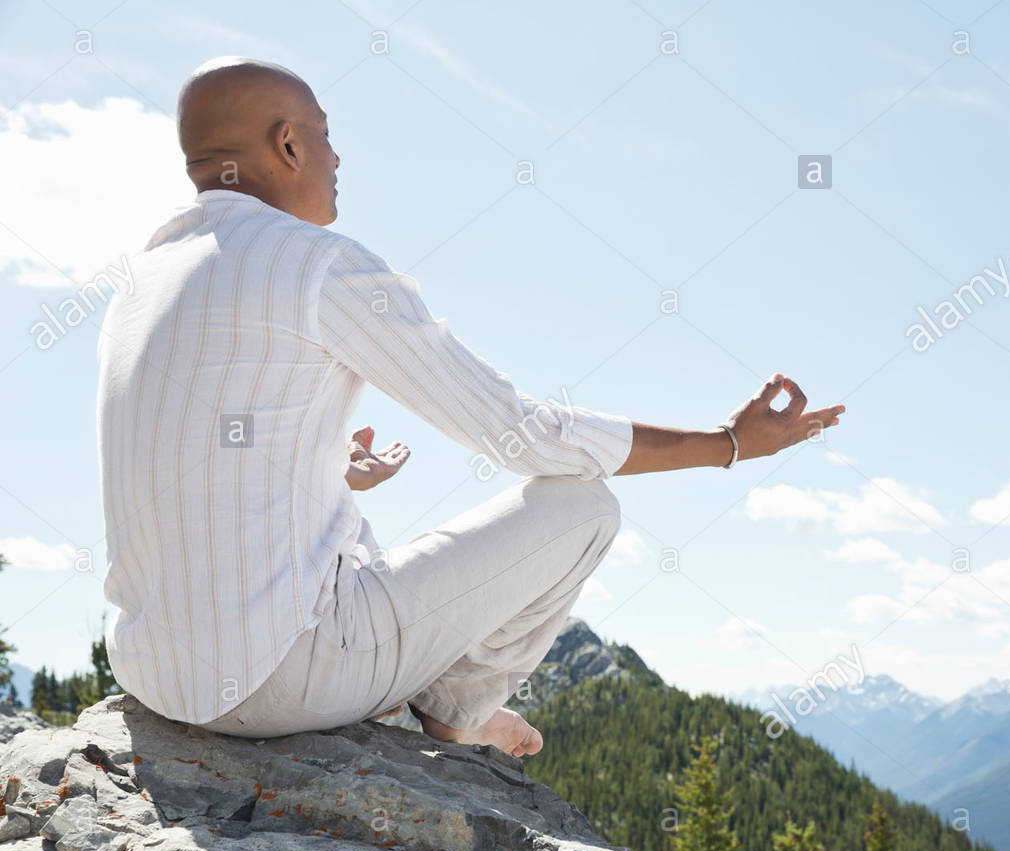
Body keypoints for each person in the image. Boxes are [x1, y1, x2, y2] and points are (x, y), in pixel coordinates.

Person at [94, 56, 845, 758]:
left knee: (347, 531)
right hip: (281, 682)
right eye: (324, 133)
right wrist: (728, 443)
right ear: (287, 144)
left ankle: (408, 692)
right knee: (582, 504)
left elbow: (180, 456)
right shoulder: (320, 265)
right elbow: (524, 434)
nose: (337, 156)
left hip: (155, 672)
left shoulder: (142, 281)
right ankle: (457, 711)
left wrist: (322, 464)